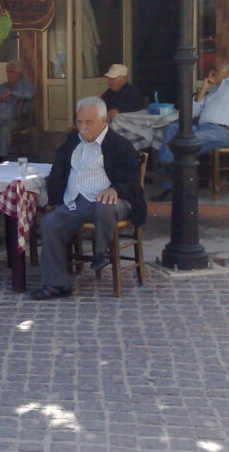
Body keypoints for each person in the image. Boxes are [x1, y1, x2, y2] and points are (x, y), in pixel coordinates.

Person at [31, 96, 147, 300]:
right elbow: (58, 170)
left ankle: (101, 252)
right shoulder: (72, 141)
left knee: (104, 205)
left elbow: (132, 180)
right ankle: (57, 285)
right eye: (79, 121)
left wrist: (115, 189)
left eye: (89, 122)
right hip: (75, 201)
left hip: (115, 201)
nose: (82, 127)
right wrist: (53, 200)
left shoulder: (119, 145)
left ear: (104, 121)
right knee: (49, 223)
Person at [154, 61, 229, 199]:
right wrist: (204, 89)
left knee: (185, 142)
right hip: (201, 129)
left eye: (216, 70)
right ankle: (167, 166)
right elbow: (191, 113)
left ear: (227, 73)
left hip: (223, 133)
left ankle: (169, 177)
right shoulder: (213, 91)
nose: (212, 72)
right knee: (172, 128)